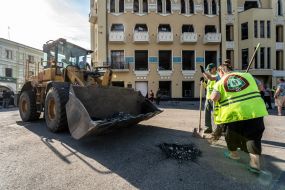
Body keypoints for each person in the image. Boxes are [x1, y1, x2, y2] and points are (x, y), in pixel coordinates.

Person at [211, 64, 268, 173]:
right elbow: (261, 87)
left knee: (231, 135)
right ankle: (255, 164)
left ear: (221, 72)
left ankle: (234, 154)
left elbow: (214, 98)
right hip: (254, 111)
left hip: (234, 113)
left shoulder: (220, 82)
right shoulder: (247, 76)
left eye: (219, 74)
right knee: (253, 137)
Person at [200, 63, 220, 134]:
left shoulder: (218, 75)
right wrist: (203, 83)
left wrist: (203, 72)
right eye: (208, 70)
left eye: (210, 69)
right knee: (207, 113)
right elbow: (207, 87)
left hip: (215, 98)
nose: (209, 71)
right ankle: (208, 128)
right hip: (208, 98)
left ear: (214, 68)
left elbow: (210, 78)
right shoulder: (210, 76)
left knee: (215, 114)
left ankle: (217, 129)